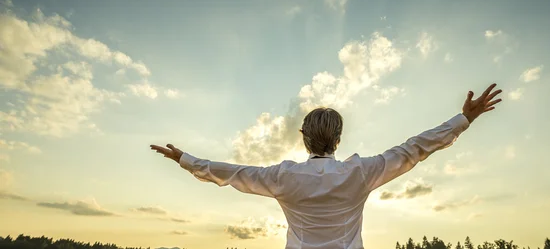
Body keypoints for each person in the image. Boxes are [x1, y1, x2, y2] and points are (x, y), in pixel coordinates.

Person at [151, 83, 502, 249]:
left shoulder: (282, 177)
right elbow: (414, 150)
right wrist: (462, 120)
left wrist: (185, 160)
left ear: (303, 137)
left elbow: (231, 173)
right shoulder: (360, 172)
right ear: (339, 138)